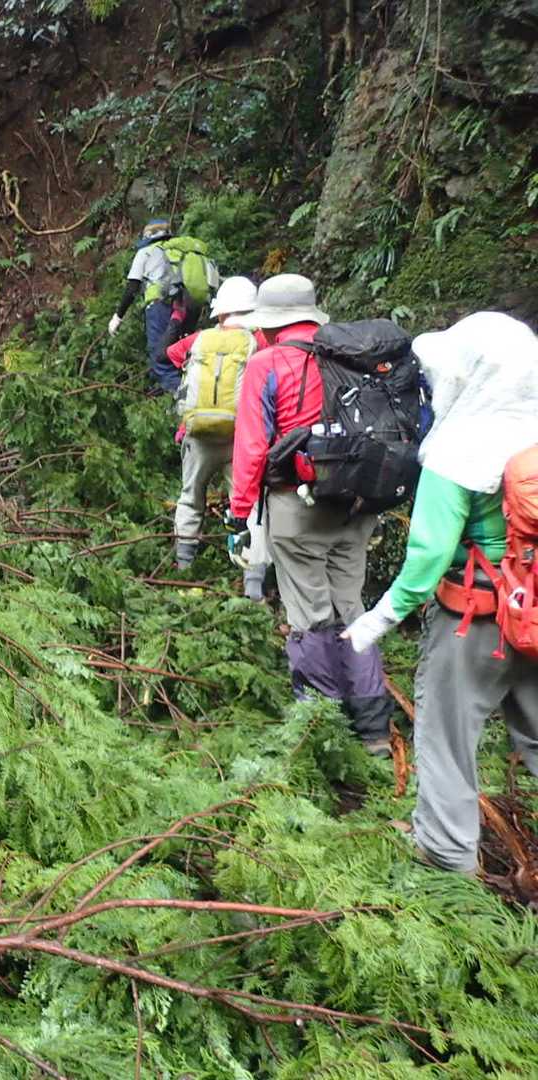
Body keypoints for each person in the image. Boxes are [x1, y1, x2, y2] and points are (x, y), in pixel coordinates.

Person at [343, 312, 538, 874]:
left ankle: (447, 863)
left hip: (475, 620)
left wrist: (380, 618)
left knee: (448, 739)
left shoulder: (459, 448)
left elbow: (428, 555)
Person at [228, 273, 394, 754]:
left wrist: (239, 513)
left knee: (311, 617)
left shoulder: (267, 362)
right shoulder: (350, 356)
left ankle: (324, 727)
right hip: (357, 505)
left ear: (269, 323)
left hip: (296, 506)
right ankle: (373, 730)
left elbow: (252, 447)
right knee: (351, 609)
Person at [165, 275, 269, 599]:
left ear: (220, 311)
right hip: (241, 437)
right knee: (250, 504)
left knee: (190, 497)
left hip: (197, 434)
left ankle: (184, 568)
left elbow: (169, 353)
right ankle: (253, 583)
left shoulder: (200, 339)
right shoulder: (259, 341)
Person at [106, 218, 219, 394]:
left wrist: (118, 317)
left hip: (162, 307)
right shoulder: (184, 251)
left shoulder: (146, 252)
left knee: (161, 358)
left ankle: (180, 398)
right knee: (180, 353)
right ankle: (174, 392)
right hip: (191, 305)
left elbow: (132, 288)